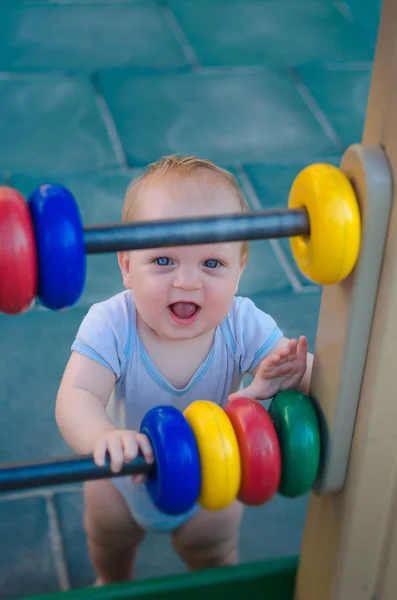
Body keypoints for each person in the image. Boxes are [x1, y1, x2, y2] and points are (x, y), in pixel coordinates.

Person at [55, 155, 313, 585]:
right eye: (163, 261)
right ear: (126, 267)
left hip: (215, 475)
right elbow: (76, 396)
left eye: (212, 264)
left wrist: (296, 375)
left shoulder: (243, 323)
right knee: (108, 539)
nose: (188, 282)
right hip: (122, 477)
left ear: (239, 273)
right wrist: (103, 438)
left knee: (212, 553)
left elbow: (310, 375)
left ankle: (214, 585)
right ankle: (111, 582)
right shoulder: (111, 323)